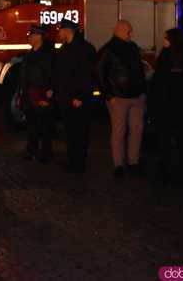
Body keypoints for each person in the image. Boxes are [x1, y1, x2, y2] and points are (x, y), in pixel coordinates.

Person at [98, 20, 147, 177]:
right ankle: (118, 164)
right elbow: (99, 74)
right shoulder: (108, 50)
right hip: (118, 98)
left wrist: (142, 90)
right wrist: (108, 95)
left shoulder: (132, 47)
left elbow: (139, 69)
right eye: (129, 31)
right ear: (120, 30)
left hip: (136, 96)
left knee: (136, 130)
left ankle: (133, 162)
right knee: (119, 131)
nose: (131, 34)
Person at [150, 28, 183, 185]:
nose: (163, 40)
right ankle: (174, 170)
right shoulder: (177, 55)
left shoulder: (174, 56)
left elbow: (162, 81)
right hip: (174, 105)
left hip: (172, 105)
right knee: (173, 138)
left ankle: (173, 171)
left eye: (165, 37)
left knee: (173, 138)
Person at [56, 19, 97, 174]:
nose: (59, 33)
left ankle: (79, 163)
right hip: (66, 99)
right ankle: (72, 161)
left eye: (61, 30)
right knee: (70, 132)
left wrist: (80, 96)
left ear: (68, 30)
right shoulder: (64, 49)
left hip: (79, 99)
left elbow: (87, 75)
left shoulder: (85, 50)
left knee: (80, 132)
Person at [20, 25, 55, 163]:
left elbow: (52, 74)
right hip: (29, 94)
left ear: (40, 36)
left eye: (32, 35)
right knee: (32, 125)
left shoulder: (48, 54)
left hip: (41, 94)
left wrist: (49, 92)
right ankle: (32, 150)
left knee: (44, 126)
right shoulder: (29, 54)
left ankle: (45, 153)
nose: (29, 37)